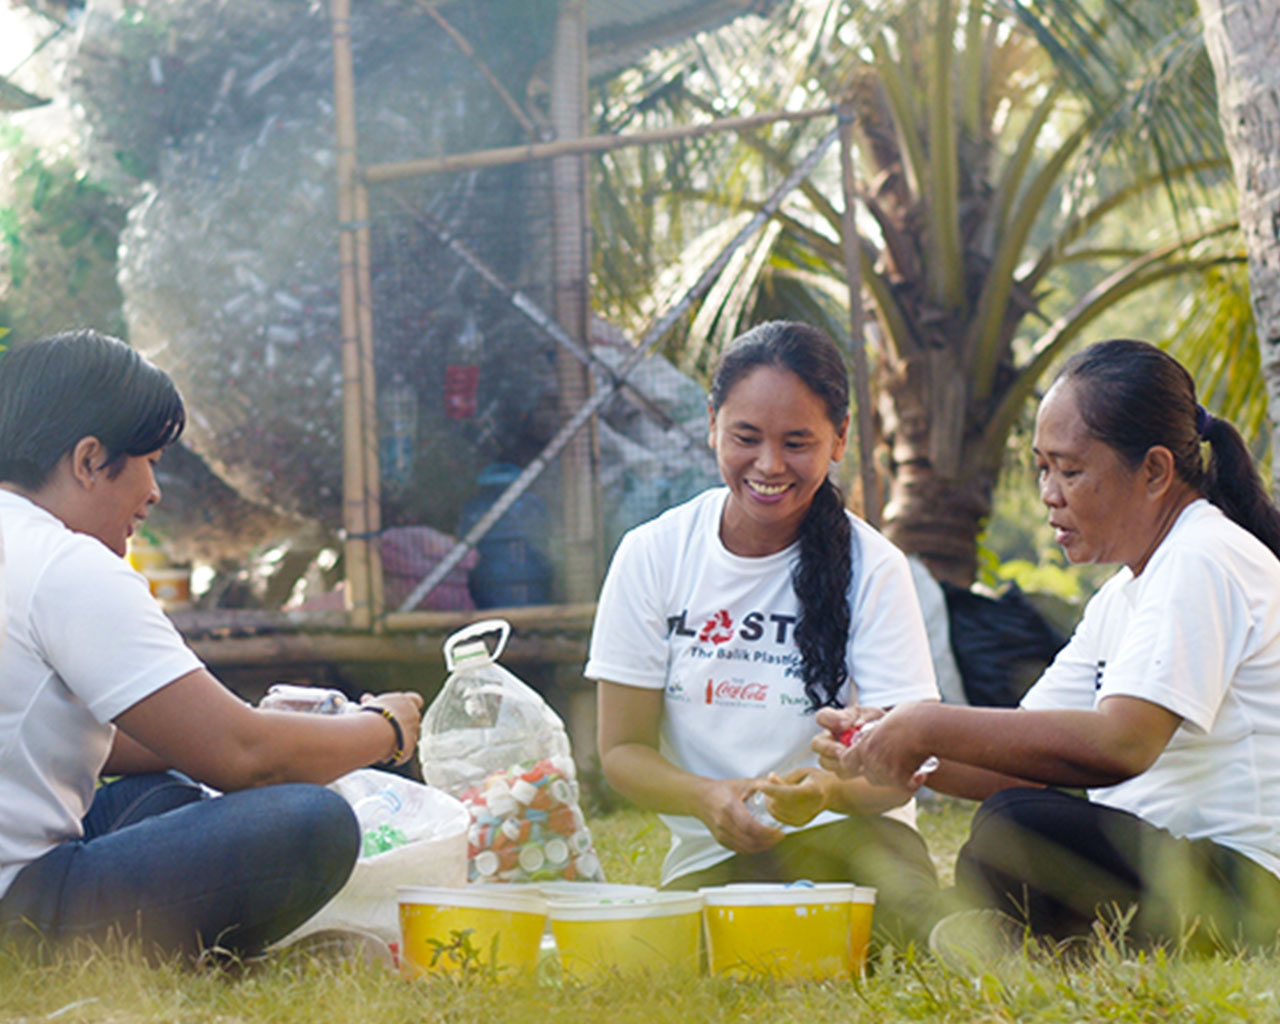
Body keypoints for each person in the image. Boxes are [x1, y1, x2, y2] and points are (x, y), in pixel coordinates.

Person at [816, 338, 1280, 955]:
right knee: (1012, 822)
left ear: (1155, 471)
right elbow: (1015, 755)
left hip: (1248, 890)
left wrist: (926, 724)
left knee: (1017, 827)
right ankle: (1063, 948)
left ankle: (1048, 945)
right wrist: (891, 737)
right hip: (1167, 866)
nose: (1048, 493)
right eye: (1042, 467)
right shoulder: (1125, 594)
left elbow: (1124, 742)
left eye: (1070, 469)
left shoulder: (1203, 557)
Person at [0, 329, 425, 960]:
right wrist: (385, 727)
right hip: (18, 911)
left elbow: (48, 731)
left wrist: (248, 725)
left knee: (168, 791)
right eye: (150, 462)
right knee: (309, 823)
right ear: (89, 461)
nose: (154, 493)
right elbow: (247, 758)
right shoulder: (65, 564)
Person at [587, 320, 943, 947]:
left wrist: (828, 791)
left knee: (896, 928)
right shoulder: (652, 555)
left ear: (840, 439)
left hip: (856, 851)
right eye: (746, 438)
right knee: (654, 958)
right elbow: (622, 752)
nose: (769, 466)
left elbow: (899, 769)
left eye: (797, 443)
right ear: (711, 424)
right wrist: (706, 797)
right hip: (713, 868)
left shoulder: (876, 567)